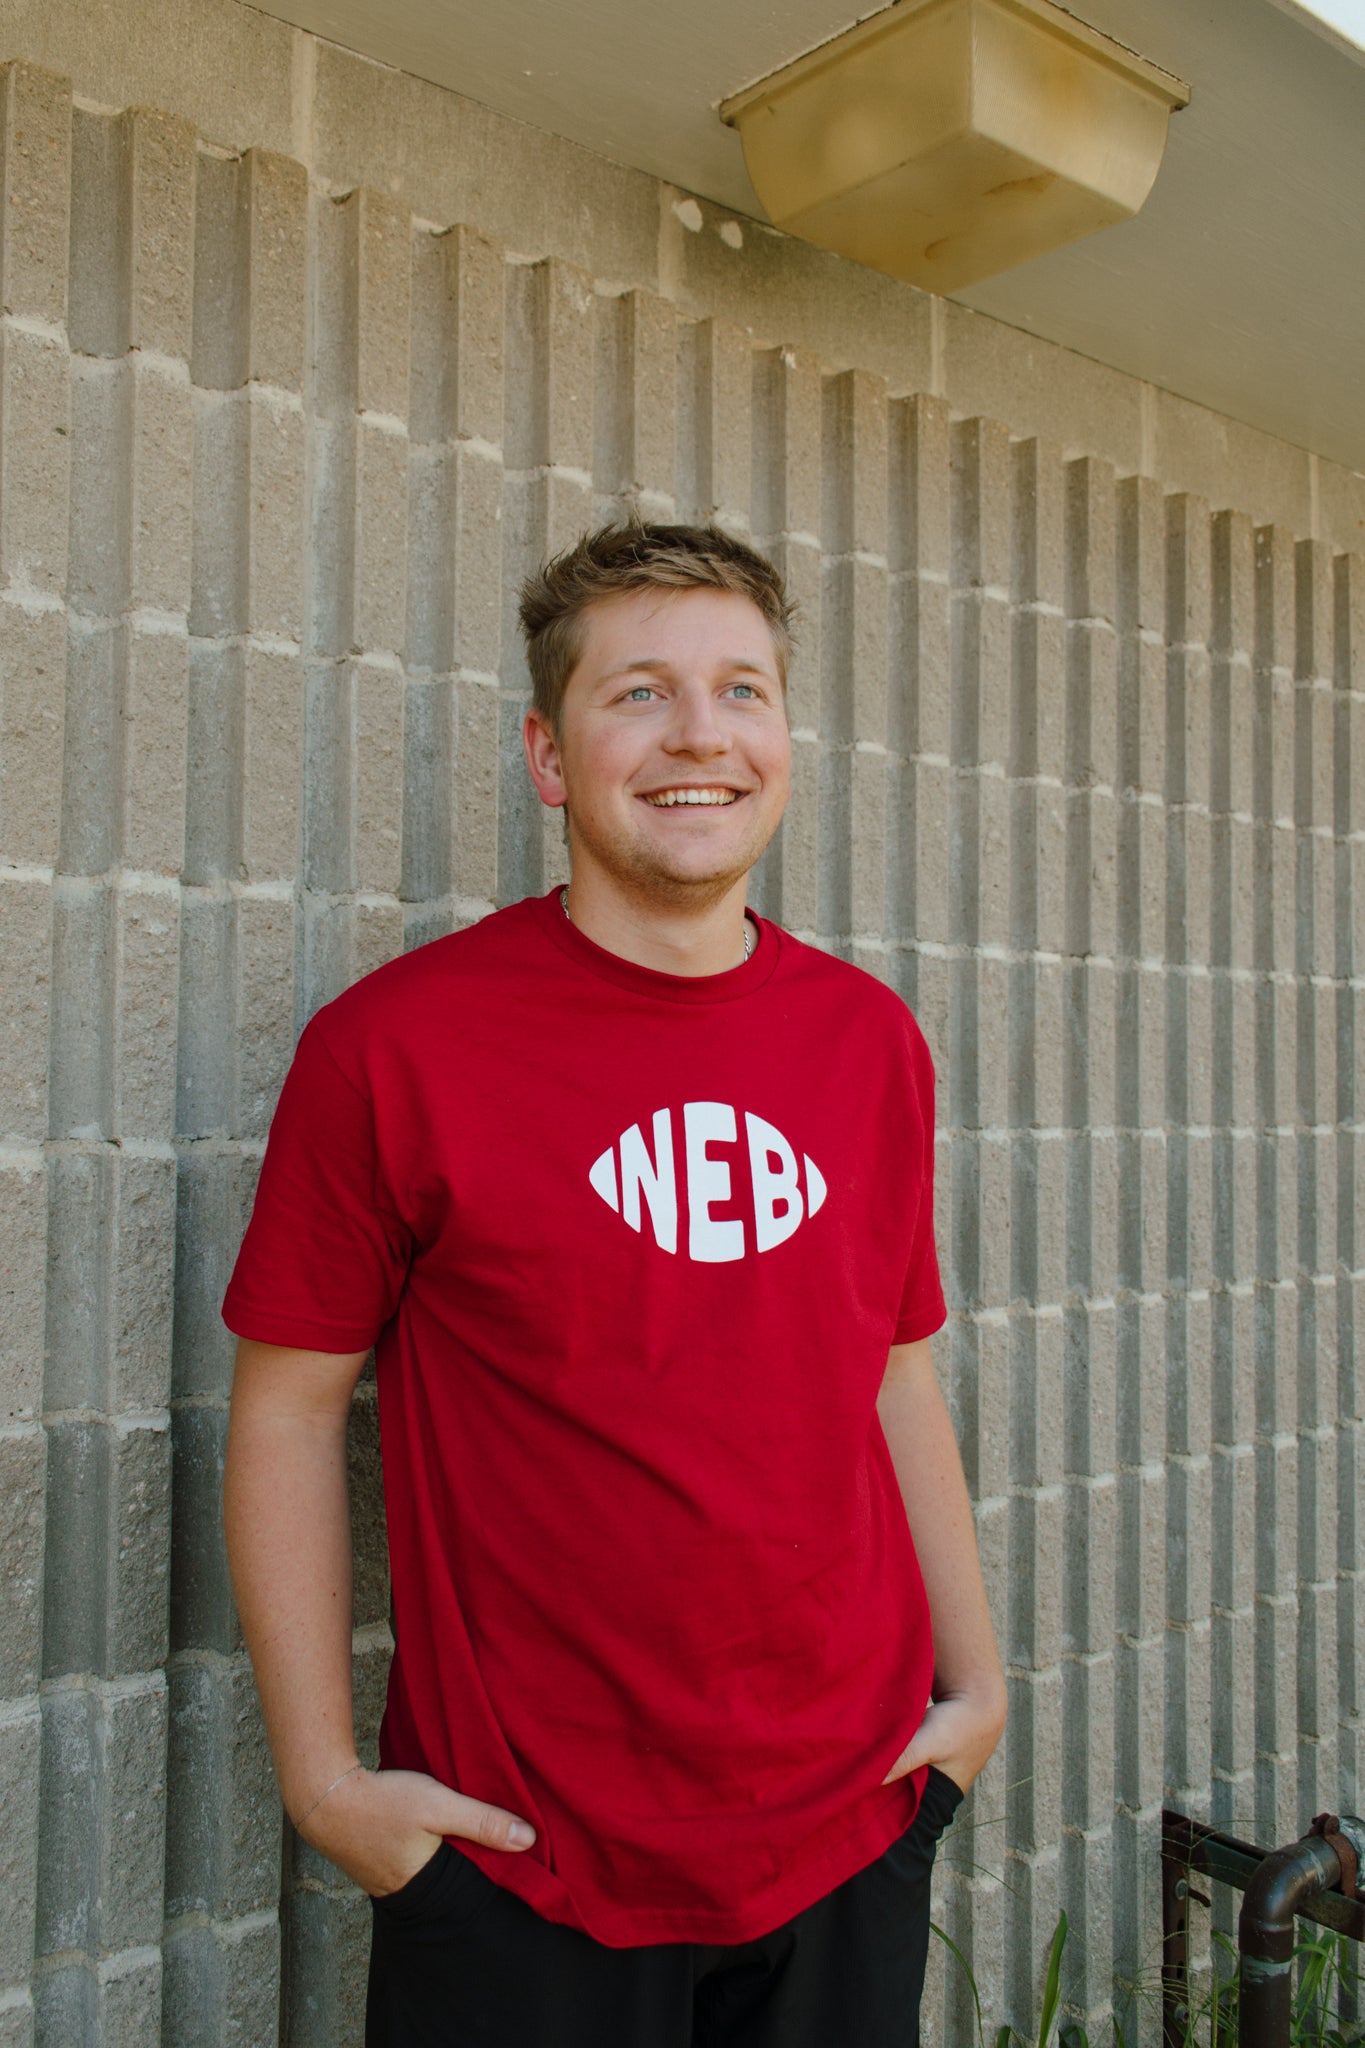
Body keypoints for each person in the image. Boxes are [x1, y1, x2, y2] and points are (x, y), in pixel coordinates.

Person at [222, 522, 1007, 2048]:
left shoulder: (868, 1043)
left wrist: (974, 1697)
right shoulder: (396, 1049)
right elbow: (287, 1413)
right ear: (548, 753)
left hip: (851, 1826)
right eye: (638, 693)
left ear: (782, 735)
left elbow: (893, 1368)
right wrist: (327, 1788)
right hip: (524, 1874)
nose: (699, 733)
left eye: (741, 691)